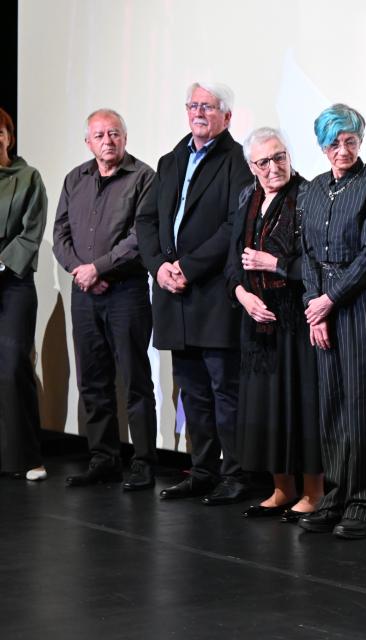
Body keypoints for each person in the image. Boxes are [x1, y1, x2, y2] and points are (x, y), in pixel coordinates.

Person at [136, 82, 252, 505]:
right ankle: (202, 471)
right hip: (173, 294)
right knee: (192, 392)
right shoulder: (170, 160)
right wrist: (159, 267)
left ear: (227, 116)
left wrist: (188, 266)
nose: (198, 113)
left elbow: (234, 225)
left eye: (208, 107)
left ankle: (235, 475)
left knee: (225, 391)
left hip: (213, 294)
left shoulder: (237, 161)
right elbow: (146, 220)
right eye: (193, 105)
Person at [297, 104, 366, 540]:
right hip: (324, 307)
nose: (343, 149)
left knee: (364, 406)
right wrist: (314, 308)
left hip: (363, 306)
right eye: (334, 142)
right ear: (322, 145)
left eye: (350, 140)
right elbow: (307, 254)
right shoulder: (313, 190)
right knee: (333, 406)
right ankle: (335, 496)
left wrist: (329, 300)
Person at [52, 109, 158, 491]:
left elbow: (140, 237)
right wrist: (81, 271)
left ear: (125, 138)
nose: (107, 141)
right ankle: (103, 459)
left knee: (134, 380)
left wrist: (98, 269)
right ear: (88, 142)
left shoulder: (144, 177)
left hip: (126, 292)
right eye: (99, 135)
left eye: (114, 133)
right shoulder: (74, 179)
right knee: (93, 380)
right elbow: (60, 234)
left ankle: (144, 462)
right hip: (85, 294)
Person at [226, 127, 322, 522]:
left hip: (295, 319)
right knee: (266, 407)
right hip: (256, 320)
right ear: (252, 166)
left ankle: (314, 492)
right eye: (263, 162)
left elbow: (318, 264)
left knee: (301, 405)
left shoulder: (308, 196)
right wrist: (242, 295)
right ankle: (282, 488)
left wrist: (275, 264)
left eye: (279, 157)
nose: (273, 167)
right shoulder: (246, 198)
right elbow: (233, 260)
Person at [0, 107, 48, 482]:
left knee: (14, 364)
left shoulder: (29, 177)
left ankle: (26, 456)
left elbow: (32, 231)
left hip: (13, 280)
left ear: (9, 137)